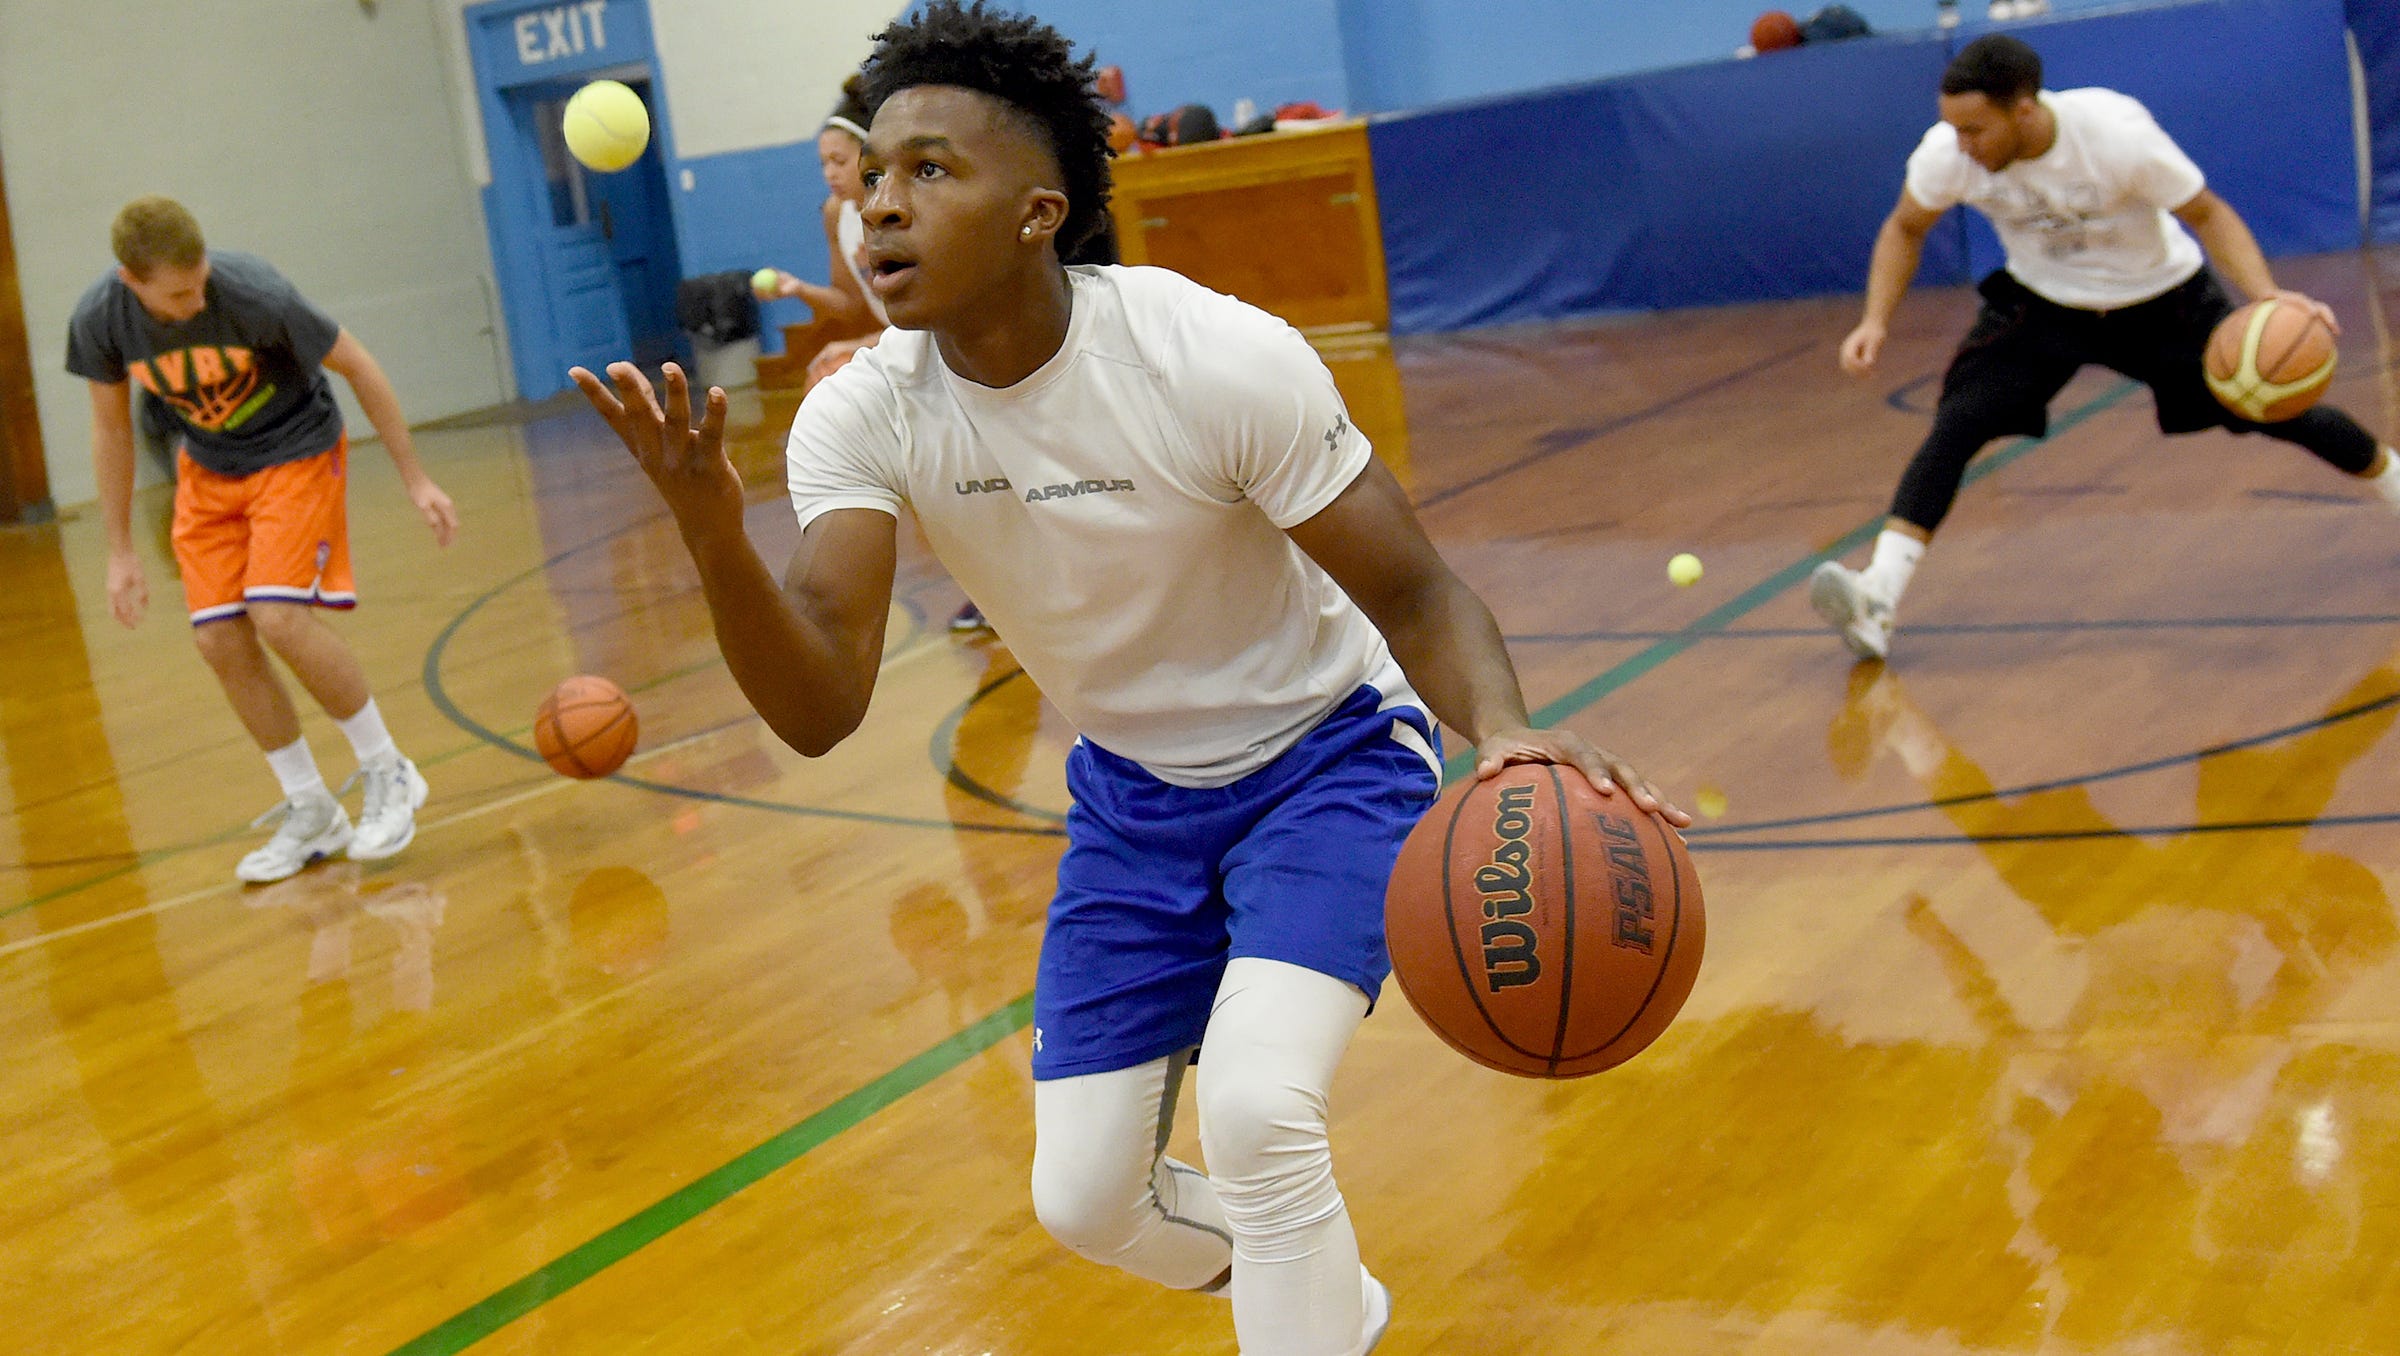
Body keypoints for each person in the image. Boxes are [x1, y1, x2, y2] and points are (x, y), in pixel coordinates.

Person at [569, 5, 1683, 1351]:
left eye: (931, 171)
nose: (881, 206)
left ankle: (1306, 1300)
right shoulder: (863, 413)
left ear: (1038, 215)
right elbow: (818, 709)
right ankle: (1327, 1297)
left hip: (1329, 756)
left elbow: (1416, 592)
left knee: (1261, 1114)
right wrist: (711, 536)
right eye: (874, 175)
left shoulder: (1208, 355)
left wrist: (1504, 729)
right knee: (1086, 1202)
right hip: (1134, 800)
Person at [1812, 34, 2400, 660]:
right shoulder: (1947, 155)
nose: (1962, 144)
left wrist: (2266, 297)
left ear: (2024, 110)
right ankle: (1877, 596)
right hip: (2043, 303)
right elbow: (1905, 227)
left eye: (1975, 130)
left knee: (2277, 409)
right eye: (1954, 128)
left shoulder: (2116, 135)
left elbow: (2207, 213)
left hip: (2160, 300)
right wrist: (1875, 320)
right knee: (1959, 422)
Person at [69, 197, 457, 882]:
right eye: (178, 294)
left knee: (278, 616)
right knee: (219, 639)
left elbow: (359, 365)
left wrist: (415, 478)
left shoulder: (254, 295)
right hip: (209, 467)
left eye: (200, 282)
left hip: (296, 452)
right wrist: (120, 549)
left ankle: (389, 768)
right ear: (131, 281)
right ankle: (310, 807)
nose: (196, 301)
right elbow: (110, 429)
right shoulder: (102, 318)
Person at [761, 75, 992, 634]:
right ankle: (988, 591)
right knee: (946, 484)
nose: (830, 173)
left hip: (949, 349)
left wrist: (864, 346)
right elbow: (849, 303)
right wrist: (799, 291)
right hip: (908, 350)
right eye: (822, 163)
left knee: (979, 477)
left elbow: (934, 309)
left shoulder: (904, 208)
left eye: (840, 161)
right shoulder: (837, 216)